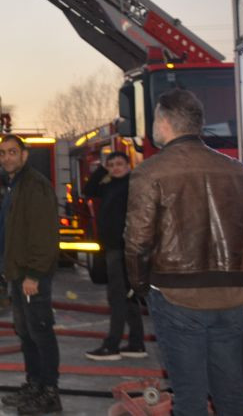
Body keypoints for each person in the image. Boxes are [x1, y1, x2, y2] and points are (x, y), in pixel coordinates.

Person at [126, 88, 243, 416]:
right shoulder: (237, 172)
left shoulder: (150, 172)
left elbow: (137, 243)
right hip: (231, 299)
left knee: (189, 397)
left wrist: (141, 287)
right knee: (231, 393)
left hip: (177, 297)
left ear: (164, 121)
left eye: (155, 121)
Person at [0, 135, 62, 415]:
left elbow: (44, 235)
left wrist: (34, 274)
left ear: (24, 155)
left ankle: (49, 393)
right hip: (18, 274)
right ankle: (34, 385)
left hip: (31, 275)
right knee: (26, 333)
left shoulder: (35, 186)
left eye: (12, 152)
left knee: (40, 332)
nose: (7, 157)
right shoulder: (16, 185)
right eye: (2, 153)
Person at [82, 151, 146, 360]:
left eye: (119, 164)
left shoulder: (133, 185)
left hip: (122, 249)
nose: (115, 168)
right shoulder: (110, 186)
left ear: (128, 165)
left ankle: (112, 345)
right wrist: (102, 168)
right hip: (111, 247)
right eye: (111, 165)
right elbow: (89, 189)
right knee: (127, 298)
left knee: (117, 297)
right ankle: (136, 344)